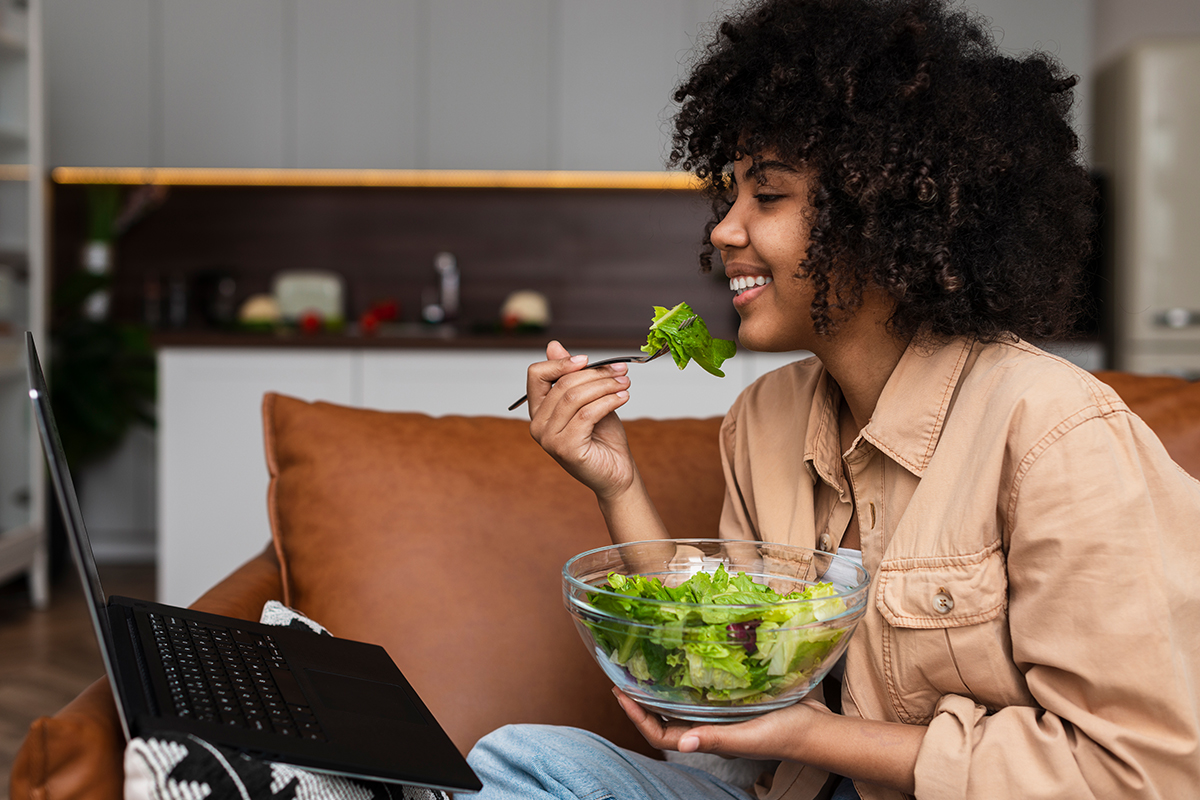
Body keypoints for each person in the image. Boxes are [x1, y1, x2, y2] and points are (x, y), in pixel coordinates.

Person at [467, 0, 1200, 798]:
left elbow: (1143, 772)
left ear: (879, 214)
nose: (724, 230)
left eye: (768, 197)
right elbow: (723, 674)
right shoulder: (763, 420)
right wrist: (617, 483)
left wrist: (820, 736)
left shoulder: (1056, 431)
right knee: (518, 761)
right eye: (732, 194)